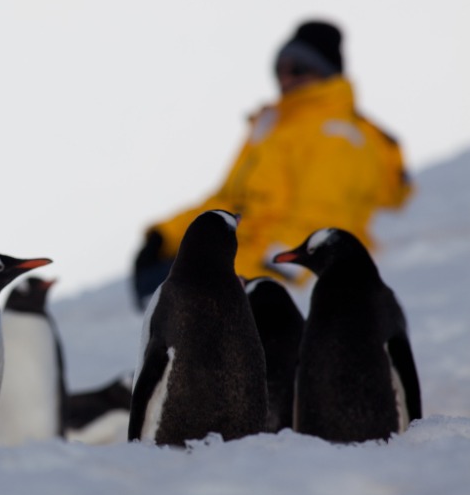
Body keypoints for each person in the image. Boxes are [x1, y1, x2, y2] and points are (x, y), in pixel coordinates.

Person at [132, 20, 412, 309]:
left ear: (324, 71)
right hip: (240, 255)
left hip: (277, 281)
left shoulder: (336, 135)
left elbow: (315, 227)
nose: (285, 78)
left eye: (298, 69)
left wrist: (229, 275)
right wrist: (167, 236)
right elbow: (229, 200)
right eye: (280, 69)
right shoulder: (274, 127)